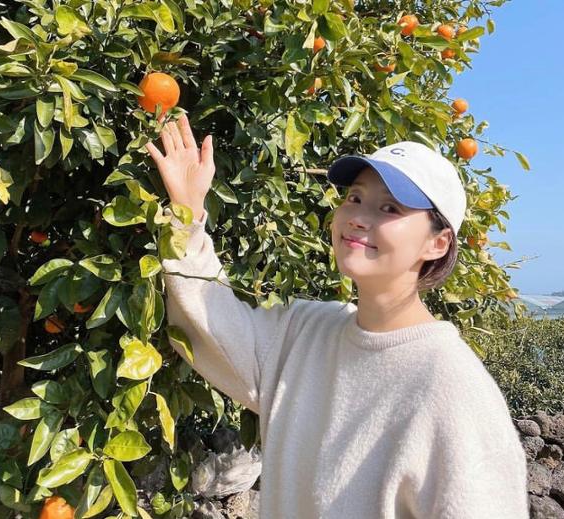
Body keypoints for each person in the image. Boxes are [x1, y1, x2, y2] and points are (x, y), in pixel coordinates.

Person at [144, 113, 530, 518]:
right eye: (356, 198)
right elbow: (211, 324)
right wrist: (187, 217)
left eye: (389, 208)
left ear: (438, 242)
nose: (359, 217)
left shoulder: (453, 387)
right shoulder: (306, 331)